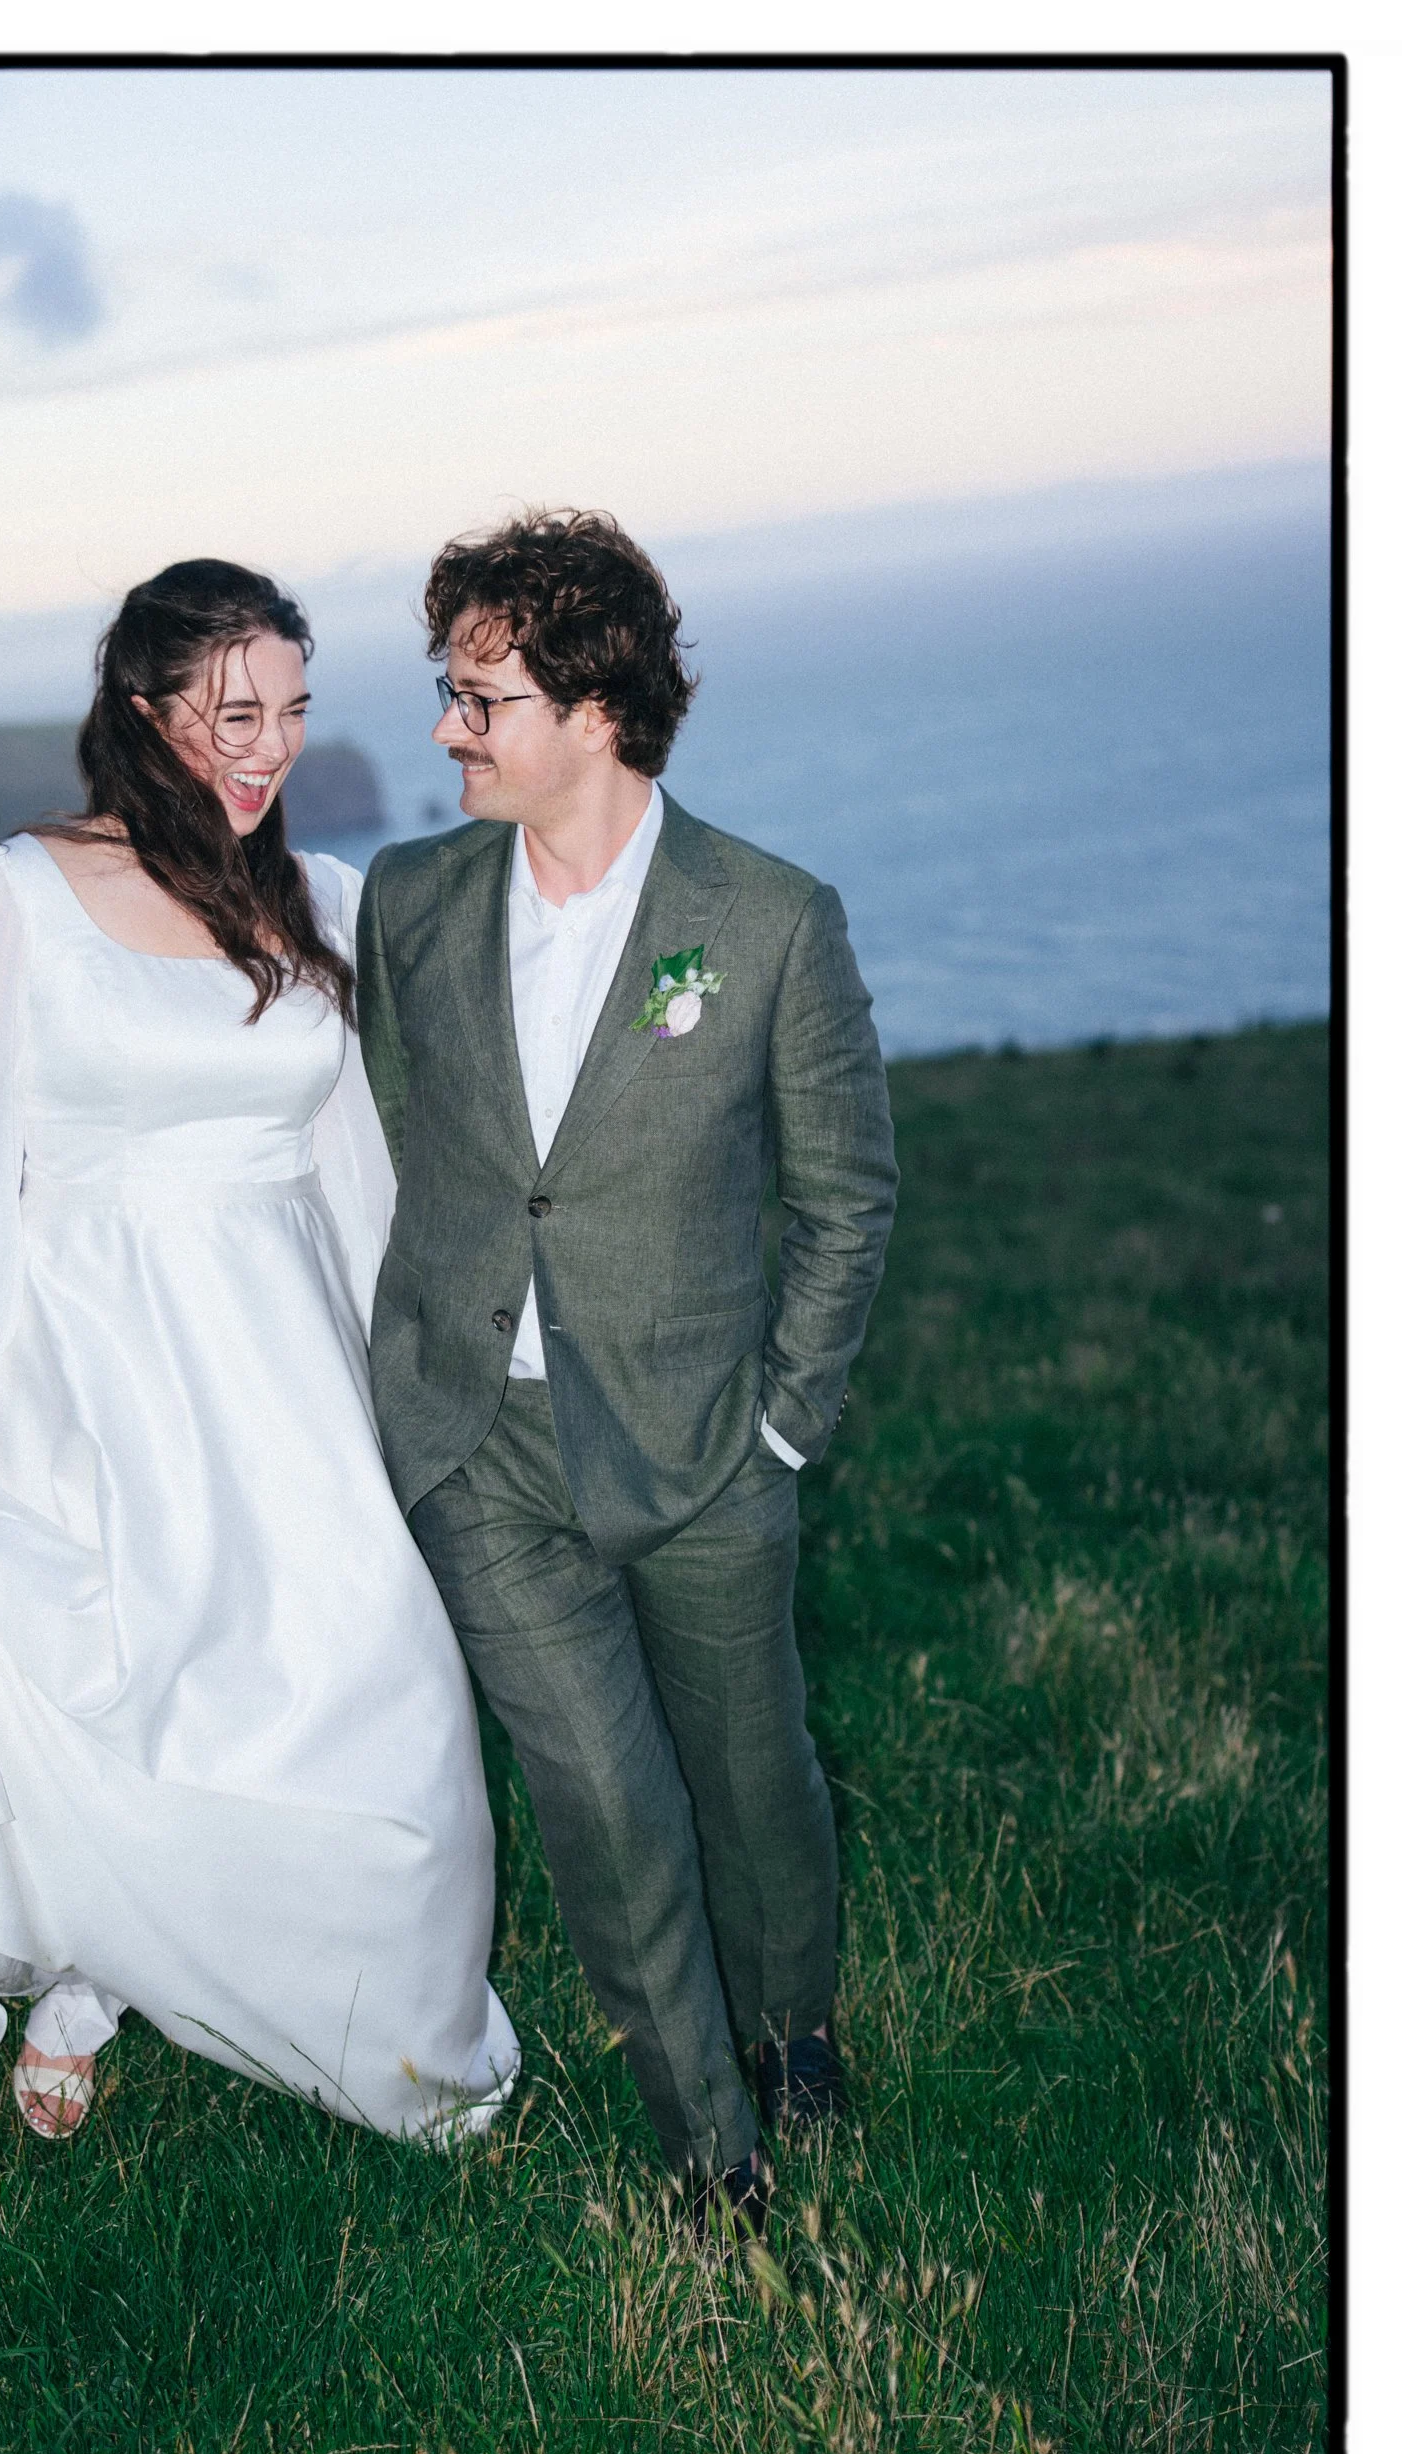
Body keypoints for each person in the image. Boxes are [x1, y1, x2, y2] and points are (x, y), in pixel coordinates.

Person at [0, 559, 519, 2144]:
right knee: (122, 1690)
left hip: (284, 1363)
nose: (265, 748)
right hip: (92, 1357)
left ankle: (404, 2049)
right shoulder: (15, 894)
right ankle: (84, 1973)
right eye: (229, 717)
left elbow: (357, 1159)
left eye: (288, 712)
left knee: (380, 1685)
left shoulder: (316, 899)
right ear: (143, 717)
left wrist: (414, 1359)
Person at [356, 510, 896, 2237]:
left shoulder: (767, 920)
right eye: (446, 691)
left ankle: (794, 2033)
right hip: (477, 1452)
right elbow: (394, 1138)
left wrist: (785, 1426)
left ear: (595, 712)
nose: (449, 728)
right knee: (602, 1803)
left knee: (751, 1782)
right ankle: (713, 2147)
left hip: (702, 1448)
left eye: (480, 697)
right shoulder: (410, 902)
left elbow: (843, 1192)